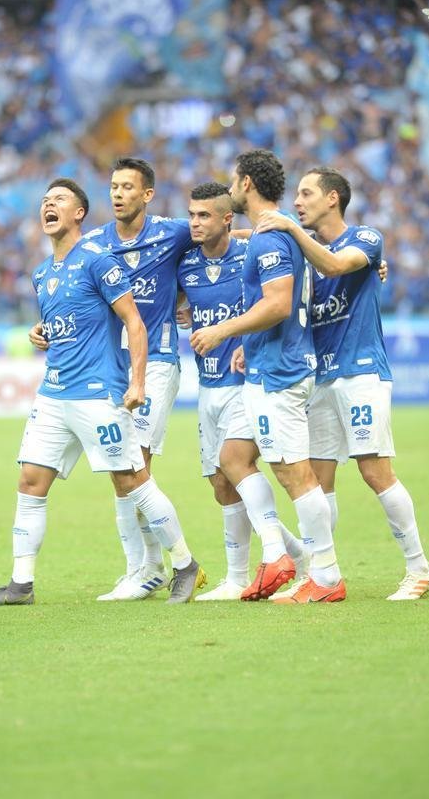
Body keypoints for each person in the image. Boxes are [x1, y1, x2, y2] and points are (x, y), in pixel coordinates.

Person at [0, 178, 206, 606]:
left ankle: (185, 564)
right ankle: (21, 584)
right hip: (53, 393)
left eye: (59, 199)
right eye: (44, 200)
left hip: (97, 393)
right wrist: (41, 332)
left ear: (79, 213)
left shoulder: (100, 260)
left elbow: (134, 323)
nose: (48, 204)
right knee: (30, 480)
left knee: (132, 481)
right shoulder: (42, 274)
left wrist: (137, 381)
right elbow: (70, 324)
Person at [255, 166, 429, 601]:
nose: (297, 202)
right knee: (319, 480)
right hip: (321, 376)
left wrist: (290, 229)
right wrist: (258, 229)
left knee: (375, 471)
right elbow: (267, 240)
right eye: (295, 197)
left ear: (333, 198)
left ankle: (419, 567)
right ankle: (322, 574)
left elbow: (337, 264)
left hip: (360, 373)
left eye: (306, 194)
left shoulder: (367, 238)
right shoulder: (306, 252)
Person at [30, 158, 194, 601]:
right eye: (113, 186)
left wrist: (187, 296)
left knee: (132, 463)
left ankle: (161, 567)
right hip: (114, 365)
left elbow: (218, 233)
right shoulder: (97, 243)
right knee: (124, 469)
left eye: (127, 187)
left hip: (156, 361)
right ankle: (145, 568)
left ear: (147, 194)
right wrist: (46, 327)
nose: (118, 194)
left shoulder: (172, 231)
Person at [191, 149, 345, 603]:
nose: (232, 188)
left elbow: (278, 303)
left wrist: (223, 330)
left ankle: (327, 575)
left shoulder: (272, 238)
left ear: (246, 185)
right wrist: (247, 343)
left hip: (282, 371)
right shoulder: (272, 232)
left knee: (296, 473)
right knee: (239, 458)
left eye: (234, 181)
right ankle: (286, 558)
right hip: (268, 364)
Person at [179, 181, 306, 599]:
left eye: (204, 216)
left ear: (226, 218)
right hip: (208, 383)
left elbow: (283, 287)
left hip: (246, 380)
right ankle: (283, 560)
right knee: (220, 482)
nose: (195, 223)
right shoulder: (186, 265)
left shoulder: (252, 254)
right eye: (192, 215)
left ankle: (271, 558)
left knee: (235, 459)